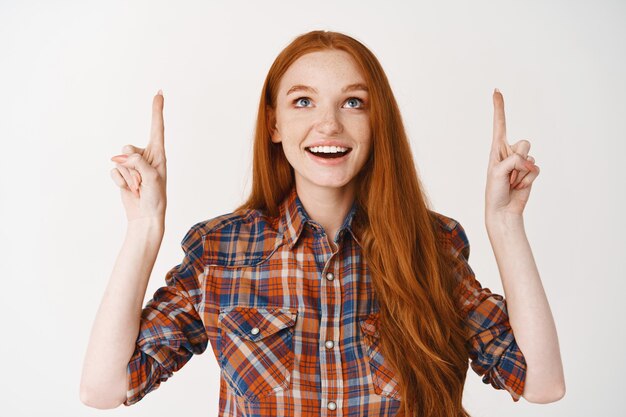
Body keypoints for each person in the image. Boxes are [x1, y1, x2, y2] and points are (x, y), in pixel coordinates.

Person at [79, 30, 565, 417]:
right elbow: (105, 388)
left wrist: (505, 223)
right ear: (274, 125)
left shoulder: (431, 246)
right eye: (303, 101)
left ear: (378, 123)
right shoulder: (220, 252)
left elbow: (541, 383)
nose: (329, 124)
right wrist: (144, 227)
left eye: (353, 102)